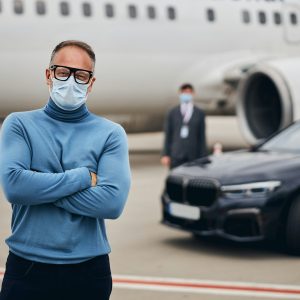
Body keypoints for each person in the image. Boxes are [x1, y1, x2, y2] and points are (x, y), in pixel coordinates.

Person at [0, 40, 131, 300]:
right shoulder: (19, 125)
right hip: (27, 268)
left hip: (89, 272)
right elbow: (15, 186)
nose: (71, 81)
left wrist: (38, 186)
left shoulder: (111, 134)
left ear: (91, 83)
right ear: (48, 75)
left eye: (81, 75)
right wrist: (82, 177)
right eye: (63, 72)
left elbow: (111, 204)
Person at [161, 83, 207, 169]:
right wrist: (165, 154)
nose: (187, 94)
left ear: (193, 94)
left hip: (193, 155)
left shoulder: (199, 113)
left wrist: (203, 157)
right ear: (180, 94)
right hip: (176, 154)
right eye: (184, 92)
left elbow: (202, 137)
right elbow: (168, 135)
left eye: (189, 92)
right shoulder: (172, 112)